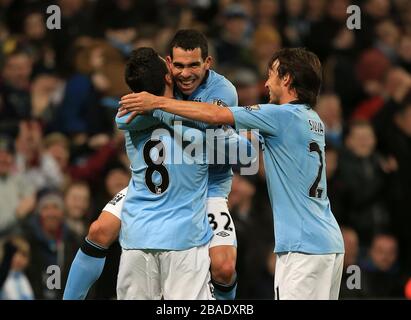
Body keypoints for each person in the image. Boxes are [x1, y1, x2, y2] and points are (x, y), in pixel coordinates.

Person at [119, 47, 346, 300]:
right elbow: (244, 147)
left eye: (271, 75)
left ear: (287, 79)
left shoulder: (280, 115)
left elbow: (216, 115)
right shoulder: (313, 120)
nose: (266, 83)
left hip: (303, 247)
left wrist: (157, 103)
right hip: (329, 243)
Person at [64, 30, 245, 300]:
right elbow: (124, 117)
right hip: (156, 184)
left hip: (206, 184)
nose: (185, 74)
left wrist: (158, 104)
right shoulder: (153, 89)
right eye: (179, 66)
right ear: (169, 66)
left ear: (207, 63)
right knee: (99, 230)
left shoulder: (222, 91)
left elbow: (212, 122)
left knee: (223, 267)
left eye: (193, 65)